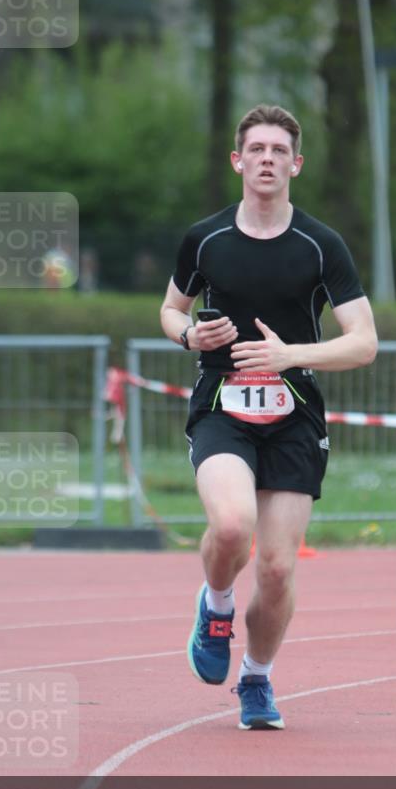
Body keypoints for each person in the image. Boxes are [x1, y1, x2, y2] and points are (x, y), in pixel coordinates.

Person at [160, 104, 377, 730]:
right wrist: (188, 338)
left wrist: (290, 355)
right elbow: (172, 310)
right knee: (232, 526)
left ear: (295, 165)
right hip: (222, 403)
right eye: (256, 149)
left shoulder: (320, 245)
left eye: (278, 151)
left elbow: (363, 341)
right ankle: (217, 604)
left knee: (279, 566)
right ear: (238, 161)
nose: (266, 159)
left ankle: (256, 678)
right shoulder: (205, 239)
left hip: (295, 413)